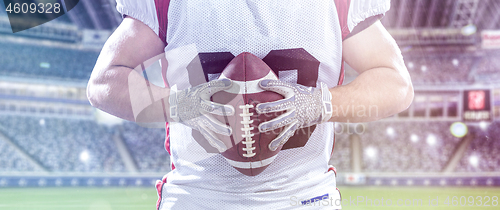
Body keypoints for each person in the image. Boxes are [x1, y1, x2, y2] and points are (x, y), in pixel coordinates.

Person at [87, 0, 414, 209]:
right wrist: (176, 104)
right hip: (199, 198)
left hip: (302, 197)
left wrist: (319, 103)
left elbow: (395, 83)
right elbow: (104, 82)